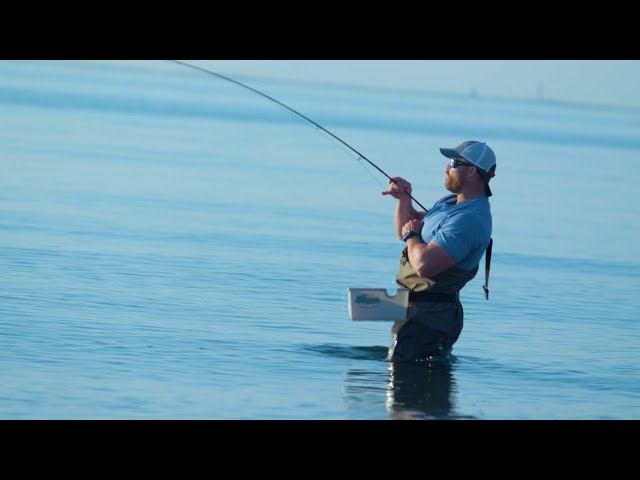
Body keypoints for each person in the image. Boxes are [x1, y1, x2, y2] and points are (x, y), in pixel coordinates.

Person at [382, 140, 496, 362]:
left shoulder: (468, 220)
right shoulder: (450, 203)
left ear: (472, 171)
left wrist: (412, 236)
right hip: (416, 310)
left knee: (405, 383)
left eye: (453, 162)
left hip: (430, 317)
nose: (446, 167)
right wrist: (404, 199)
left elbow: (424, 265)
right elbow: (404, 232)